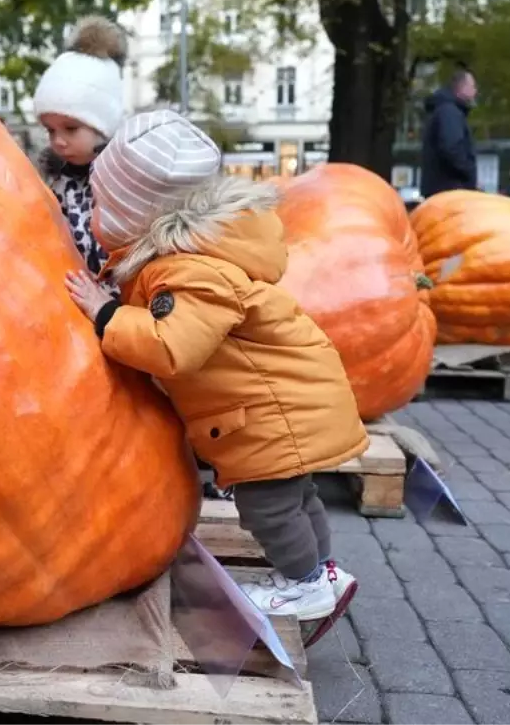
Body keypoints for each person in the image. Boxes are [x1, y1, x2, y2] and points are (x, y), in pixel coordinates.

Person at [63, 109, 368, 636]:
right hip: (285, 406)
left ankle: (306, 583)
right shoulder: (193, 260)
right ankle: (319, 573)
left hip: (271, 417)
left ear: (136, 214)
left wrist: (105, 313)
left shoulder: (187, 272)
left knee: (268, 506)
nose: (94, 211)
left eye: (102, 202)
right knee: (298, 498)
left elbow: (171, 346)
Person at [34, 15, 127, 294]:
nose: (58, 141)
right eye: (50, 130)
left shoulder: (127, 182)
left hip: (122, 311)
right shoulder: (51, 184)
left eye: (71, 128)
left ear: (103, 126)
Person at [420, 69, 479, 197]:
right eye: (473, 87)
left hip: (442, 189)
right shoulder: (450, 112)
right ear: (462, 87)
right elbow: (451, 147)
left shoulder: (443, 111)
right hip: (450, 190)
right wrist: (468, 172)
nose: (475, 92)